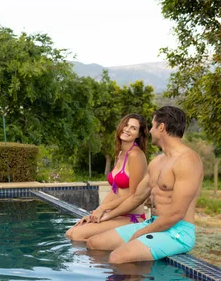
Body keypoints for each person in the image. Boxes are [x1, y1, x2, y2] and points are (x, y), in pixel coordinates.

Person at [86, 106, 203, 264]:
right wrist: (104, 215)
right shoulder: (157, 162)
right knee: (94, 243)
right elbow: (136, 197)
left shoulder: (188, 160)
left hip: (178, 232)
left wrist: (141, 232)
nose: (150, 131)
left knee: (117, 257)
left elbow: (177, 213)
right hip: (154, 223)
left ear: (161, 127)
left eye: (153, 126)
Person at [66, 113, 148, 241]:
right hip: (116, 215)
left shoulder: (136, 155)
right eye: (126, 125)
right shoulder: (120, 154)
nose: (127, 129)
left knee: (77, 235)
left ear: (139, 135)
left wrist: (105, 211)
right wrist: (96, 212)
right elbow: (114, 191)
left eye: (133, 128)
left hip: (131, 218)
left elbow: (134, 195)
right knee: (70, 233)